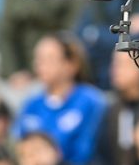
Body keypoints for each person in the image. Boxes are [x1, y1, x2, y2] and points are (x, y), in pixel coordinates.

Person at [14, 32, 107, 165]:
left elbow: (88, 152)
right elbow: (17, 145)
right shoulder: (31, 103)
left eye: (48, 59)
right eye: (38, 59)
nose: (40, 65)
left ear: (71, 64)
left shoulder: (91, 101)